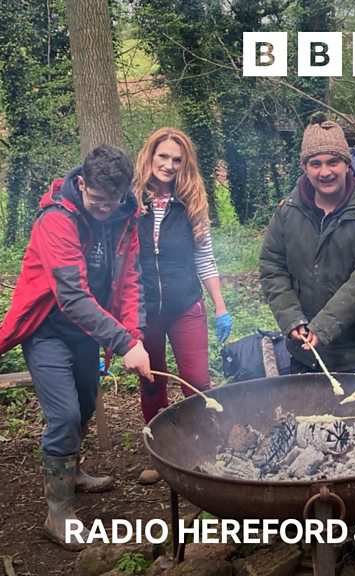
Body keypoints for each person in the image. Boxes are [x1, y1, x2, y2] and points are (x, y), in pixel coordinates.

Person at [0, 145, 153, 550]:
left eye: (111, 202)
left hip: (85, 332)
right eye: (97, 200)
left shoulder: (125, 217)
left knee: (84, 402)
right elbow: (72, 297)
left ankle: (72, 472)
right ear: (82, 184)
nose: (103, 209)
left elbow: (129, 280)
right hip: (46, 328)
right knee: (63, 415)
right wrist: (123, 341)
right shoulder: (56, 219)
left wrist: (135, 333)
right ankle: (57, 512)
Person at [132, 127, 232, 485]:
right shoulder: (131, 202)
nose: (169, 165)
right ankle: (161, 456)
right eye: (163, 157)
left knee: (197, 380)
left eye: (177, 159)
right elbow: (120, 263)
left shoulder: (192, 203)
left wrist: (220, 307)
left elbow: (205, 259)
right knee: (151, 382)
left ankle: (205, 449)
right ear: (150, 156)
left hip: (186, 304)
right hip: (144, 312)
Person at [259, 113, 355, 375]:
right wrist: (291, 318)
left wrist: (324, 326)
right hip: (306, 351)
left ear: (346, 163)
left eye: (333, 162)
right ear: (305, 167)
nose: (325, 171)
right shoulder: (288, 211)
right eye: (315, 163)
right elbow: (271, 266)